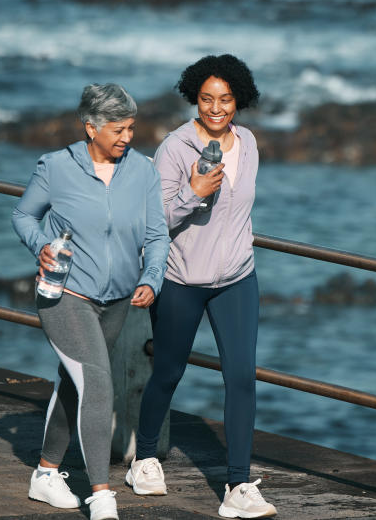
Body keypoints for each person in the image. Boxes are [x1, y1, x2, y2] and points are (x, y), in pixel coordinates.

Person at [125, 55, 277, 518]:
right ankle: (145, 457)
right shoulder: (175, 148)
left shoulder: (248, 143)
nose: (216, 108)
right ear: (195, 97)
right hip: (181, 279)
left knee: (241, 377)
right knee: (169, 370)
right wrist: (193, 193)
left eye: (225, 99)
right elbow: (153, 220)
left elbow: (241, 210)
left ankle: (237, 486)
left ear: (239, 100)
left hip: (236, 278)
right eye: (207, 99)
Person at [12, 83, 169, 520]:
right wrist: (41, 244)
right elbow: (23, 215)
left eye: (131, 128)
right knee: (97, 381)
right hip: (65, 294)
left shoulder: (143, 172)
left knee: (75, 381)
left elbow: (157, 235)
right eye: (118, 129)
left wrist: (152, 278)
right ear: (91, 127)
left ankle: (45, 473)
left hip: (119, 299)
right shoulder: (57, 167)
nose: (126, 137)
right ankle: (101, 495)